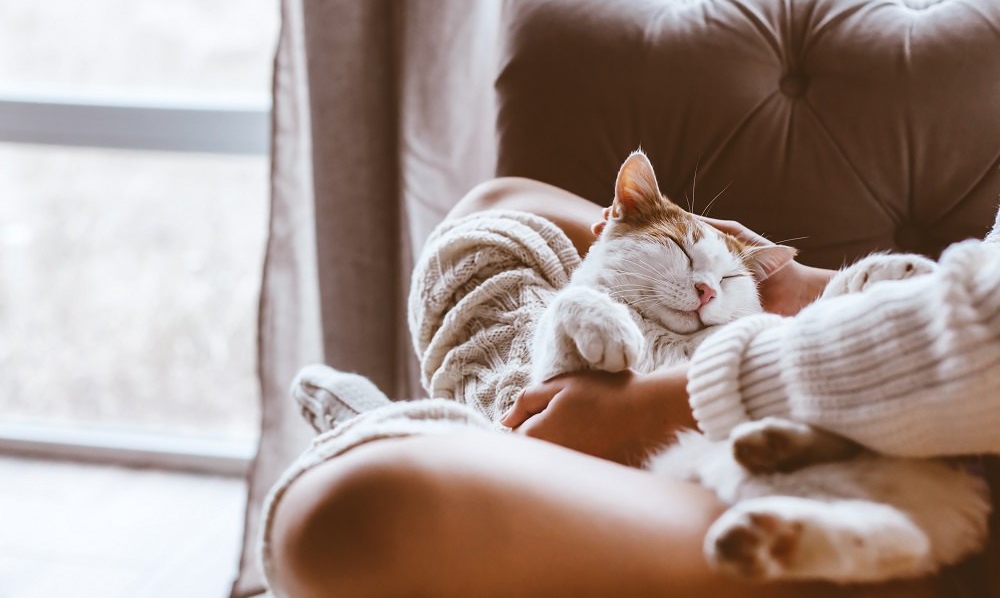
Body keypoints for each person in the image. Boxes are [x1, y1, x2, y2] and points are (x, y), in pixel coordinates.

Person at [267, 176, 999, 598]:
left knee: (346, 516)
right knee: (494, 205)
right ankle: (426, 425)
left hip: (922, 458)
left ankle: (393, 425)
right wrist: (799, 289)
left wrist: (669, 401)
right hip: (863, 380)